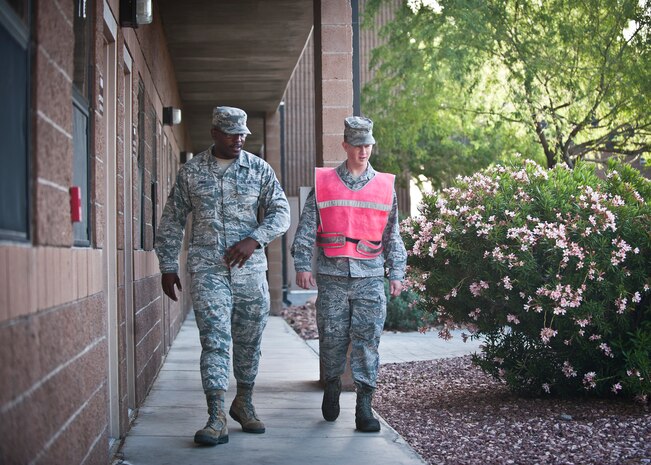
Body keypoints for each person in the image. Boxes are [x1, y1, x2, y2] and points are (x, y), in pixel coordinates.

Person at [155, 106, 290, 446]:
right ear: (214, 133)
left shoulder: (258, 169)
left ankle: (243, 402)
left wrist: (255, 238)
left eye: (242, 133)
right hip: (208, 270)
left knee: (249, 341)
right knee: (215, 340)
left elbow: (281, 211)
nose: (238, 139)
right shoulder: (192, 172)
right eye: (231, 132)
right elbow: (173, 218)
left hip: (249, 272)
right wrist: (168, 265)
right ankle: (216, 416)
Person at [291, 116, 407, 432]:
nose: (363, 151)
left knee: (368, 340)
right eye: (357, 145)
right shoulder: (325, 182)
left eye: (368, 144)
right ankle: (331, 386)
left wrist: (396, 271)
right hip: (332, 276)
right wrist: (302, 265)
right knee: (332, 339)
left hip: (370, 277)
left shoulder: (385, 186)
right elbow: (306, 227)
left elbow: (392, 233)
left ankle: (364, 407)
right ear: (345, 146)